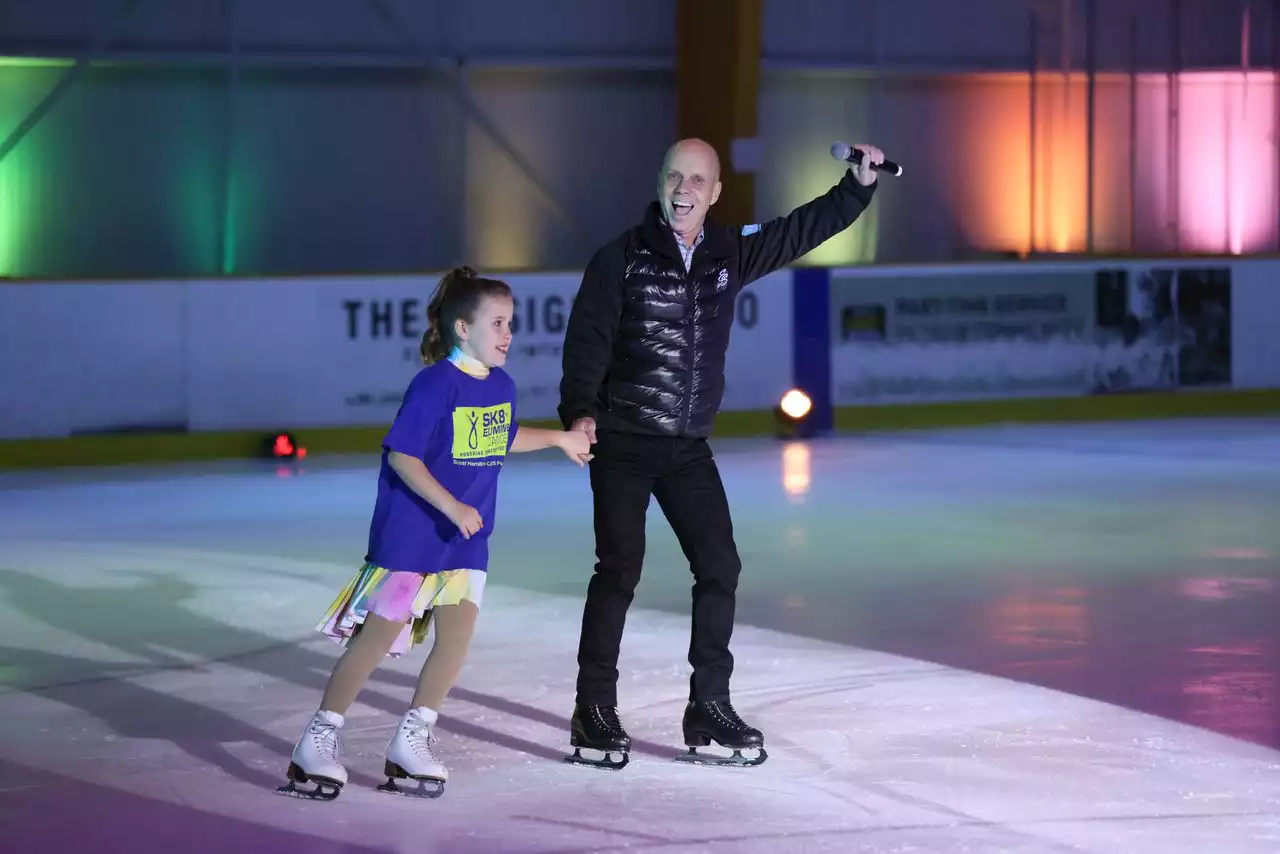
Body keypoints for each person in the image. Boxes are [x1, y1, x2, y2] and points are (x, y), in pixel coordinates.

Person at [558, 138, 884, 769]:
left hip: (686, 446)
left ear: (714, 193)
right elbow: (587, 343)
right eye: (674, 176)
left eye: (697, 180)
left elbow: (799, 231)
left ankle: (709, 703)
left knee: (720, 565)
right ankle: (593, 707)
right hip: (623, 441)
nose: (684, 189)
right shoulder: (618, 258)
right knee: (619, 568)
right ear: (660, 183)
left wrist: (858, 187)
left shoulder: (729, 252)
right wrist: (581, 416)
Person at [279, 266, 593, 800]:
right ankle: (318, 739)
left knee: (456, 640)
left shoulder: (502, 385)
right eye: (496, 323)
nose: (507, 334)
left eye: (510, 323)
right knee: (376, 638)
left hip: (465, 539)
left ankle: (412, 741)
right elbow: (402, 455)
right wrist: (451, 506)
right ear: (462, 329)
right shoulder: (434, 384)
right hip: (414, 534)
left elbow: (503, 435)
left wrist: (561, 439)